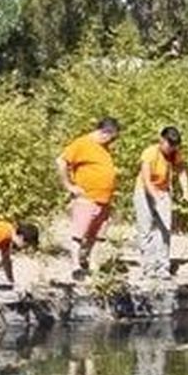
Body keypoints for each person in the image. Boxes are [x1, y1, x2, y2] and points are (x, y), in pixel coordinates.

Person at [56, 118, 120, 278]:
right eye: (112, 137)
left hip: (104, 200)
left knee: (98, 235)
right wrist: (69, 186)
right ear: (105, 132)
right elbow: (61, 161)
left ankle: (92, 264)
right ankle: (75, 266)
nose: (112, 141)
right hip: (87, 197)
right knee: (79, 233)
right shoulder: (82, 143)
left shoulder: (104, 148)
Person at [134, 126, 188, 281]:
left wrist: (186, 191)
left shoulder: (174, 153)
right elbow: (146, 179)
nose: (171, 149)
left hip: (163, 191)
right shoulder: (150, 153)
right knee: (146, 230)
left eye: (174, 146)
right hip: (144, 191)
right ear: (162, 140)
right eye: (169, 145)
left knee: (164, 229)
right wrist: (155, 197)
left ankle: (162, 267)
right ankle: (148, 268)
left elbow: (181, 171)